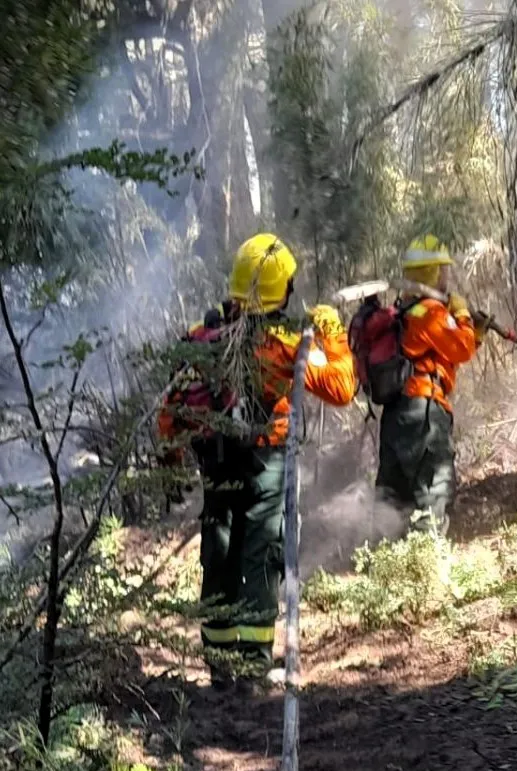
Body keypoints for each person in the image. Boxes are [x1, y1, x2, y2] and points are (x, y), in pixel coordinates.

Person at [157, 233, 356, 690]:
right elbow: (342, 388)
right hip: (266, 460)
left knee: (220, 552)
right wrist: (333, 333)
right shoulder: (281, 343)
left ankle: (219, 665)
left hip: (215, 461)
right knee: (261, 554)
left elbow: (171, 410)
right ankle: (252, 666)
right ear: (279, 290)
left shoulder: (200, 338)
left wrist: (169, 461)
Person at [375, 234, 488, 534]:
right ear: (433, 272)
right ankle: (428, 563)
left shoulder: (406, 310)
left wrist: (473, 333)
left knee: (394, 498)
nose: (447, 275)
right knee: (432, 492)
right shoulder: (431, 312)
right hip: (422, 412)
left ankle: (385, 566)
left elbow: (448, 352)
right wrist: (463, 315)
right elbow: (461, 347)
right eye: (443, 269)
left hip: (396, 415)